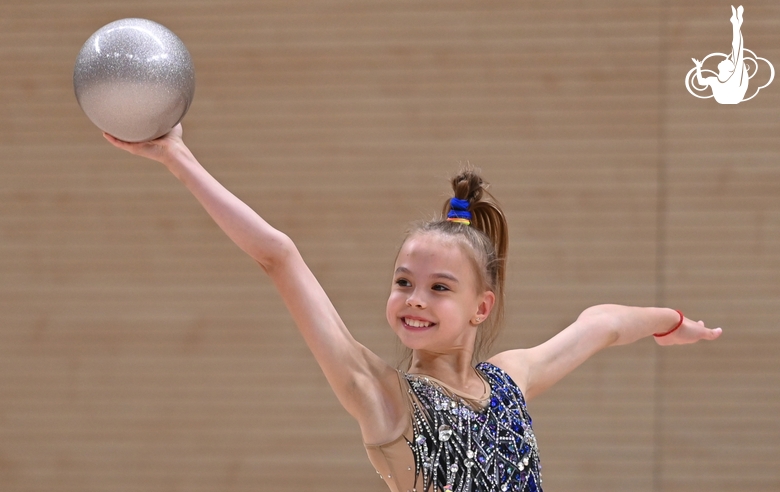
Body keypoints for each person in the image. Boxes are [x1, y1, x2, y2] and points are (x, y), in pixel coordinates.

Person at [105, 125, 722, 492]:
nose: (415, 299)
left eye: (439, 287)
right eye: (404, 282)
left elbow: (604, 323)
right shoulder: (385, 398)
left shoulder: (509, 380)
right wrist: (177, 158)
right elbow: (279, 257)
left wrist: (670, 323)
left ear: (483, 306)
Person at [692, 5, 748, 104]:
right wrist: (698, 67)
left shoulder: (732, 77)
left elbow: (737, 49)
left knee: (737, 51)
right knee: (737, 52)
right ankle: (736, 23)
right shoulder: (715, 80)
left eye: (727, 61)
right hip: (729, 97)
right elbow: (701, 82)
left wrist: (698, 68)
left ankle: (736, 23)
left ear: (729, 69)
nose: (724, 59)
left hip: (732, 96)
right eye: (727, 60)